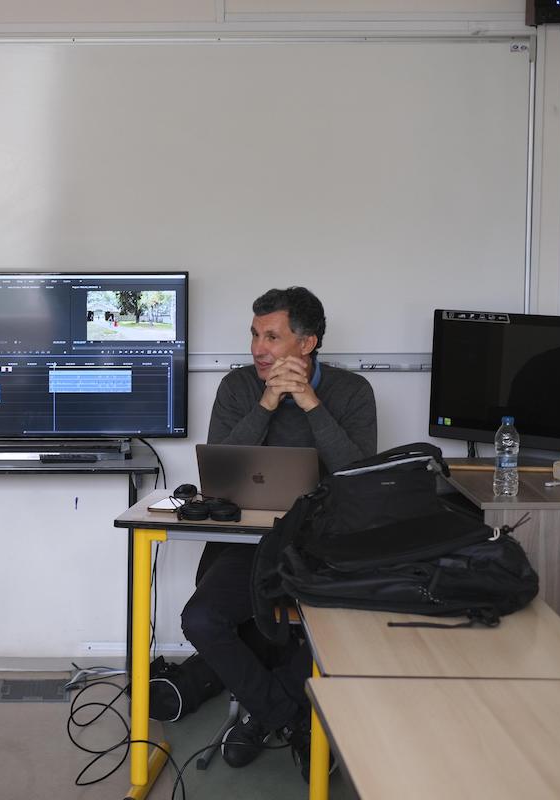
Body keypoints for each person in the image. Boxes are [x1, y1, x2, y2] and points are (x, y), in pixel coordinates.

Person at [180, 286, 377, 777]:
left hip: (324, 545)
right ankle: (291, 719)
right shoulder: (238, 387)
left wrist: (311, 403)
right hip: (251, 542)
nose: (257, 349)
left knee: (338, 627)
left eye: (272, 337)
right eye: (254, 335)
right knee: (200, 620)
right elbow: (220, 471)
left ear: (307, 344)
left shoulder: (353, 392)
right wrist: (267, 402)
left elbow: (359, 478)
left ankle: (265, 713)